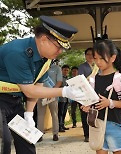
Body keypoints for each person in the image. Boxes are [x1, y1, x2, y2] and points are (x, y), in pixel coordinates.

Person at [0, 15, 85, 154]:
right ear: (44, 39)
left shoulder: (45, 59)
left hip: (14, 101)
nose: (60, 52)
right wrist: (64, 92)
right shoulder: (18, 53)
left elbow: (38, 85)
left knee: (26, 140)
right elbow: (29, 91)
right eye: (58, 47)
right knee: (5, 141)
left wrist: (28, 113)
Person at [82, 39, 121, 154]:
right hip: (98, 123)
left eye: (102, 58)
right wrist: (88, 107)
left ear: (113, 58)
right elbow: (94, 101)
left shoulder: (120, 78)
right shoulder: (94, 80)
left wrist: (110, 103)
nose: (98, 62)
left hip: (115, 124)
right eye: (96, 58)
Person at [37, 59, 62, 142]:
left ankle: (55, 134)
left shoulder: (57, 68)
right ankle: (39, 134)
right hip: (41, 94)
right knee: (40, 115)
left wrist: (52, 93)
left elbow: (59, 81)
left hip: (53, 95)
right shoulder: (40, 67)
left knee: (54, 114)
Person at [78, 47, 96, 142]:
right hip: (85, 94)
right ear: (85, 56)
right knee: (85, 115)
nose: (90, 56)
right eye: (88, 54)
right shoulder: (82, 67)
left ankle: (94, 133)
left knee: (94, 114)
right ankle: (87, 135)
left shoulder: (97, 66)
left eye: (92, 54)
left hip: (95, 94)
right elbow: (80, 80)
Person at [58, 64, 70, 132]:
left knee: (64, 112)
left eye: (67, 70)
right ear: (62, 70)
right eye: (65, 70)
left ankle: (62, 125)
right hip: (61, 98)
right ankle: (59, 126)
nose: (66, 71)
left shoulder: (68, 78)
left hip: (66, 98)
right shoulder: (59, 78)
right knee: (60, 112)